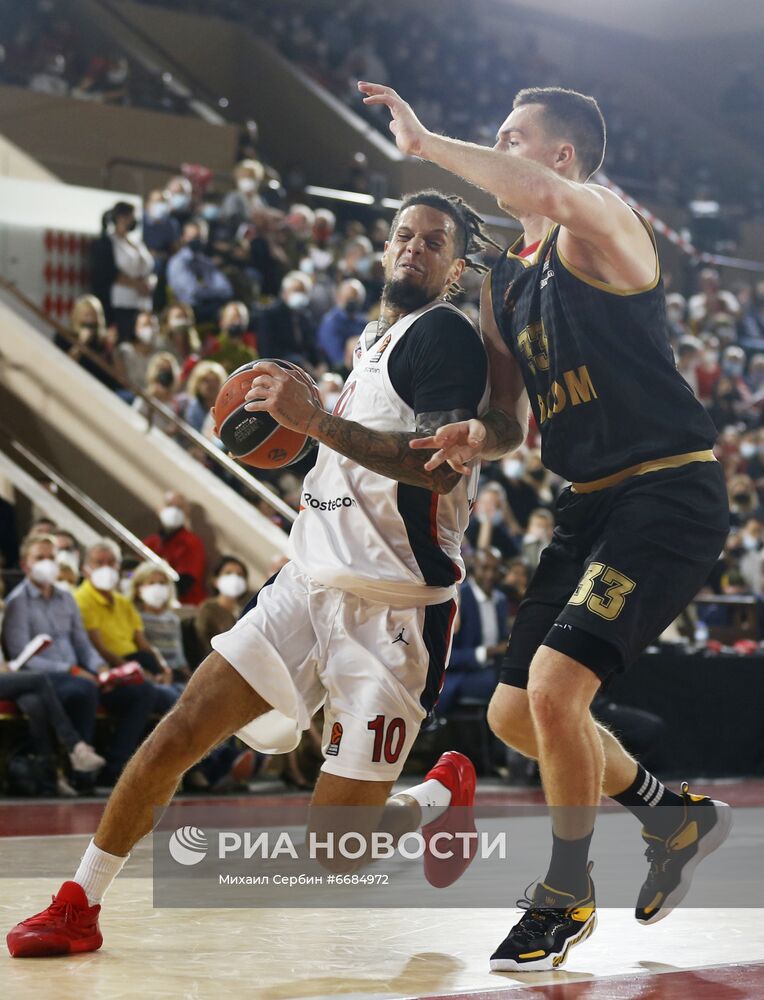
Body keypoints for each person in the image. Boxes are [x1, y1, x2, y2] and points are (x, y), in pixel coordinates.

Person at [7, 189, 497, 959]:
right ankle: (79, 903)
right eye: (403, 235)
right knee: (179, 729)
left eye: (434, 242)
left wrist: (315, 424)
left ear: (456, 267)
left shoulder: (445, 339)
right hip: (305, 584)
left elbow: (435, 472)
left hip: (394, 613)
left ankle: (440, 793)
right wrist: (301, 441)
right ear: (381, 250)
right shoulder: (375, 339)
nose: (413, 248)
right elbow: (347, 461)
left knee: (336, 851)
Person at [359, 80, 731, 970]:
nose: (499, 146)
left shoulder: (601, 220)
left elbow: (553, 201)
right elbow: (508, 424)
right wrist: (471, 437)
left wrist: (427, 143)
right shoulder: (507, 284)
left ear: (560, 156)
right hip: (586, 502)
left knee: (560, 691)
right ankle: (669, 816)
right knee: (518, 714)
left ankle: (565, 896)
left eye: (513, 137)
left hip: (666, 489)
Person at [2, 534, 154, 786]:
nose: (47, 563)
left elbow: (82, 644)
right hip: (50, 675)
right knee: (84, 690)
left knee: (142, 691)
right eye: (40, 558)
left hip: (81, 672)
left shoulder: (66, 598)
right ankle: (81, 774)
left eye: (51, 557)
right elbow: (23, 657)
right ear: (25, 565)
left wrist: (101, 668)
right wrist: (72, 671)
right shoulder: (18, 603)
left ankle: (115, 769)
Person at [439, 549, 508, 715]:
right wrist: (487, 652)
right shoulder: (459, 599)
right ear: (473, 568)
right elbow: (447, 657)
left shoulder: (500, 599)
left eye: (495, 569)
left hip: (493, 669)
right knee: (507, 688)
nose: (490, 575)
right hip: (462, 674)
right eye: (485, 568)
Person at [143, 492, 207, 606]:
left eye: (179, 507)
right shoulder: (151, 542)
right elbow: (132, 574)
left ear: (187, 513)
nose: (174, 511)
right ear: (159, 510)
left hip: (185, 605)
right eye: (169, 505)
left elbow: (185, 583)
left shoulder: (192, 543)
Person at [166, 222, 234, 324]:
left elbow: (227, 289)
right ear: (184, 238)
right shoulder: (177, 263)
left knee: (234, 312)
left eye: (200, 237)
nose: (196, 241)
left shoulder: (206, 262)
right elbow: (193, 292)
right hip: (190, 309)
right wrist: (211, 289)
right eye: (193, 237)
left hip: (213, 304)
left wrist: (204, 288)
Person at [316, 278, 368, 368]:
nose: (352, 302)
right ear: (339, 297)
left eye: (356, 299)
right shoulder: (331, 322)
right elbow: (337, 359)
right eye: (349, 298)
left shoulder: (362, 321)